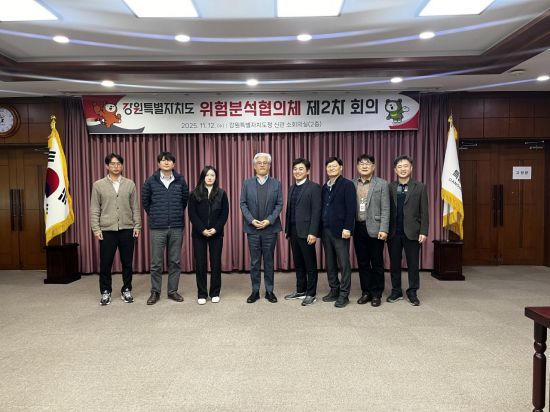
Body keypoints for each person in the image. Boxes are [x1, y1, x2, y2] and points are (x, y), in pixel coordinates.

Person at [90, 153, 141, 306]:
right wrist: (96, 228)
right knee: (106, 263)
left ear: (122, 166)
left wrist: (137, 225)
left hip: (127, 228)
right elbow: (94, 208)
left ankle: (127, 289)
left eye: (118, 164)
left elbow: (135, 207)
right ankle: (106, 291)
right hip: (107, 230)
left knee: (127, 262)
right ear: (107, 166)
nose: (116, 166)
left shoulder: (130, 184)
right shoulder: (98, 185)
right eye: (112, 164)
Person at [142, 151, 189, 305]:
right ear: (158, 164)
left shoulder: (180, 180)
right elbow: (145, 202)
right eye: (163, 160)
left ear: (173, 164)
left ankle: (172, 291)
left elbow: (184, 200)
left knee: (175, 261)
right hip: (157, 228)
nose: (166, 162)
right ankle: (155, 292)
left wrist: (176, 213)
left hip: (176, 227)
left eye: (169, 160)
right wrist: (155, 215)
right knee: (156, 263)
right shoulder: (151, 181)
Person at [240, 152, 283, 304]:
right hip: (252, 229)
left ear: (269, 166)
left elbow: (279, 204)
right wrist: (251, 220)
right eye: (259, 163)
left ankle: (270, 291)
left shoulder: (276, 183)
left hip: (270, 229)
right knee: (255, 262)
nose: (262, 165)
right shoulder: (247, 183)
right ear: (254, 166)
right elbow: (243, 204)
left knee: (269, 261)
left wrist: (269, 221)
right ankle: (255, 291)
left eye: (265, 162)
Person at [387, 155, 429, 306]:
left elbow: (424, 211)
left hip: (413, 232)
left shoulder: (420, 187)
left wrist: (423, 231)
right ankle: (396, 291)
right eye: (399, 167)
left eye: (405, 166)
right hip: (393, 232)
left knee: (413, 264)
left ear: (411, 168)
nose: (403, 169)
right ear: (395, 170)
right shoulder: (390, 187)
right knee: (394, 264)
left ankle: (412, 292)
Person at [188, 166, 229, 305]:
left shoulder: (222, 193)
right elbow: (192, 214)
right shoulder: (194, 193)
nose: (210, 177)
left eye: (212, 175)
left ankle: (215, 292)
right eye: (207, 175)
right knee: (200, 263)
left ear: (216, 177)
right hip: (199, 234)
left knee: (215, 263)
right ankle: (202, 293)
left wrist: (216, 229)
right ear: (203, 177)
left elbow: (224, 213)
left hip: (216, 233)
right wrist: (202, 229)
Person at [352, 154, 390, 307]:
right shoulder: (352, 183)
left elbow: (386, 208)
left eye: (368, 163)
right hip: (358, 227)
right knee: (362, 262)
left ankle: (376, 293)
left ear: (373, 167)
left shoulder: (382, 184)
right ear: (357, 167)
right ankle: (366, 292)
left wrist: (384, 229)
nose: (364, 166)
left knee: (377, 262)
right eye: (361, 163)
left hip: (376, 228)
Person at [284, 158, 322, 306]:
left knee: (310, 264)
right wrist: (288, 229)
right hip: (293, 230)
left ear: (307, 171)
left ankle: (311, 293)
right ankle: (301, 290)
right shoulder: (291, 188)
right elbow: (289, 210)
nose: (297, 171)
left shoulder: (314, 187)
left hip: (307, 232)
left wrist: (313, 232)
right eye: (295, 169)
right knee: (298, 263)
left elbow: (316, 211)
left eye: (301, 169)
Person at [320, 156, 356, 308]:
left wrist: (348, 228)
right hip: (326, 229)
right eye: (329, 166)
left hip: (341, 230)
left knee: (344, 263)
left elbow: (351, 208)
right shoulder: (324, 187)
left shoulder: (347, 185)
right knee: (330, 263)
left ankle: (344, 294)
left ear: (341, 168)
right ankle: (334, 290)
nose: (331, 169)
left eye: (334, 166)